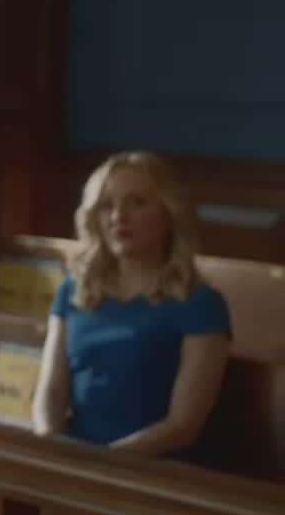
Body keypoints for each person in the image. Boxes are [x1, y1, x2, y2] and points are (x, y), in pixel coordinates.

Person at [32, 152, 231, 457]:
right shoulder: (75, 290)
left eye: (137, 203)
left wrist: (104, 463)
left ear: (168, 213)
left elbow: (183, 426)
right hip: (75, 462)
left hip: (150, 470)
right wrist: (51, 450)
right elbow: (51, 392)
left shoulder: (201, 304)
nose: (118, 217)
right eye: (107, 205)